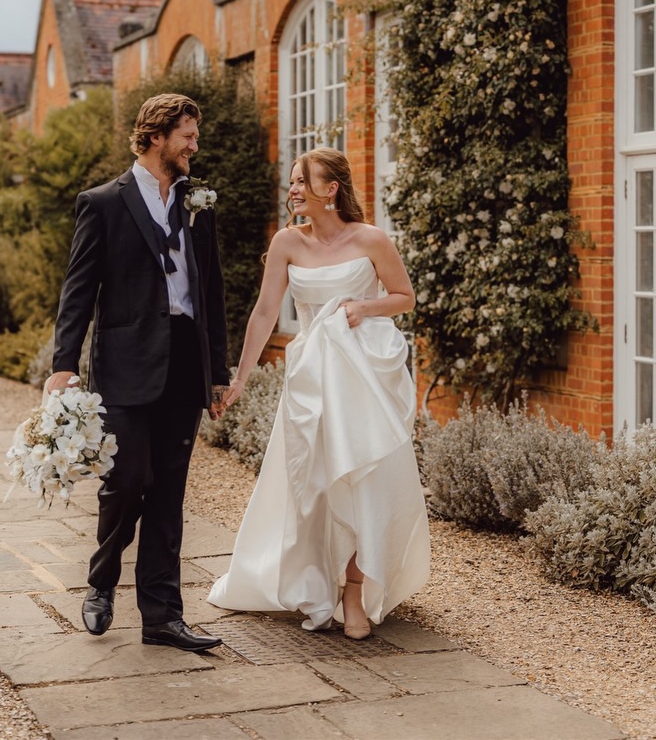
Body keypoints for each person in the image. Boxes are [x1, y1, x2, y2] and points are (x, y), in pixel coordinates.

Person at [209, 148, 430, 639]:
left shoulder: (371, 238)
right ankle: (315, 580)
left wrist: (363, 308)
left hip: (362, 376)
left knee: (359, 477)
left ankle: (353, 589)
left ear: (331, 190)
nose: (292, 189)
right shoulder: (287, 242)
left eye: (301, 181)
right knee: (312, 481)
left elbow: (404, 297)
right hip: (310, 378)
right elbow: (265, 313)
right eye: (290, 181)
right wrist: (240, 377)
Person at [46, 93, 230, 653]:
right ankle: (101, 581)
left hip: (184, 359)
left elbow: (213, 291)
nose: (195, 146)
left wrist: (216, 372)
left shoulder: (198, 203)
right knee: (126, 481)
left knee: (170, 490)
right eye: (188, 136)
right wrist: (62, 364)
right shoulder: (103, 202)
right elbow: (79, 289)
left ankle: (162, 616)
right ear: (156, 137)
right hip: (125, 361)